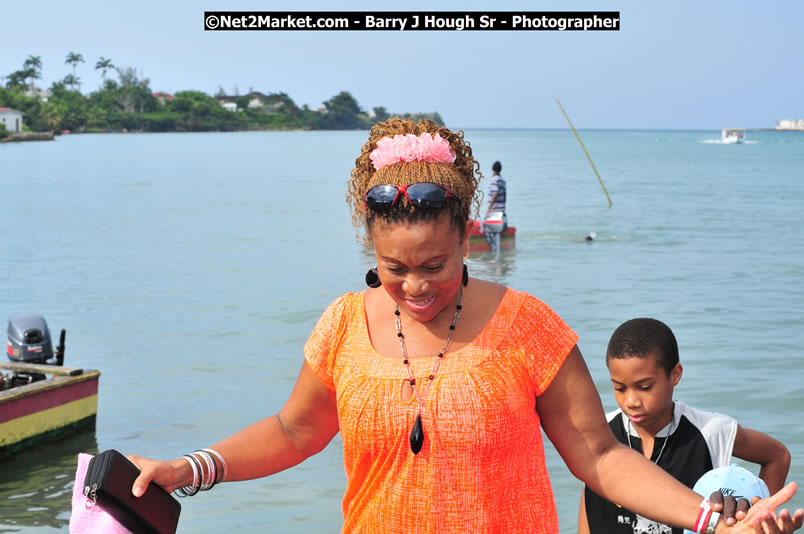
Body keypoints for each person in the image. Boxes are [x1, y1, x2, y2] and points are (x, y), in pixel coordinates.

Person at [128, 118, 802, 533]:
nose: (416, 286)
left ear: (467, 236)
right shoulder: (341, 326)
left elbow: (601, 458)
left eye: (437, 265)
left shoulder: (527, 328)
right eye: (395, 267)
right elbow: (292, 431)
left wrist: (709, 519)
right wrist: (188, 468)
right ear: (369, 244)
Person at [579, 318, 795, 534]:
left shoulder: (711, 431)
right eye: (620, 388)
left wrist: (761, 515)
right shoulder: (600, 431)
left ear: (675, 375)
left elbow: (777, 455)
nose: (631, 401)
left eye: (644, 387)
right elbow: (590, 500)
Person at [483, 160, 507, 251]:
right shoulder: (502, 181)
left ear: (493, 169)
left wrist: (489, 209)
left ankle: (492, 250)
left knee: (490, 231)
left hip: (495, 210)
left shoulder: (494, 180)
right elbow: (504, 195)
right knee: (498, 231)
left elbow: (495, 193)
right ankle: (499, 249)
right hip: (502, 209)